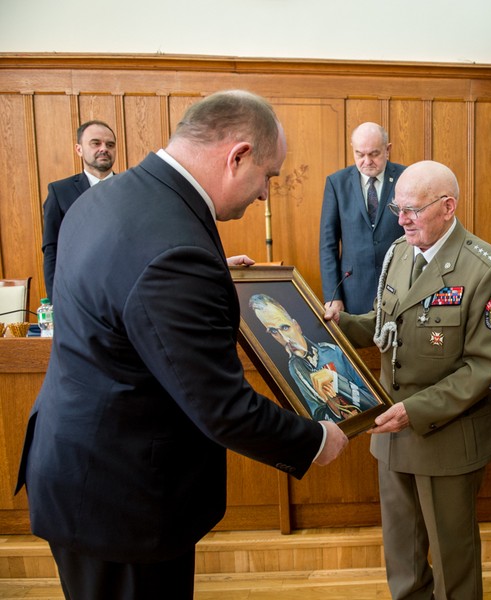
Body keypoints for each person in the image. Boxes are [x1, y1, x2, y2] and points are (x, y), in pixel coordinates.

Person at [17, 90, 348, 600]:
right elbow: (223, 409)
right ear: (236, 156)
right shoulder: (175, 253)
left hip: (83, 465)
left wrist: (211, 276)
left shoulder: (114, 195)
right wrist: (316, 440)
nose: (265, 194)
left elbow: (133, 292)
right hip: (122, 499)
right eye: (268, 176)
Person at [326, 160, 491, 599]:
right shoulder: (399, 253)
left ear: (448, 207)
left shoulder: (485, 268)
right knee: (402, 558)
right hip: (392, 435)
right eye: (398, 208)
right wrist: (339, 324)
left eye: (413, 209)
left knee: (453, 561)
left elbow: (481, 367)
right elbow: (385, 322)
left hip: (444, 436)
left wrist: (415, 411)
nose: (402, 219)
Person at [249, 293, 378, 421]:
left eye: (285, 327)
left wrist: (336, 381)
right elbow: (317, 414)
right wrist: (332, 405)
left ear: (296, 326)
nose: (285, 339)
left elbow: (374, 402)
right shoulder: (294, 367)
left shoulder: (333, 351)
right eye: (273, 331)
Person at [320, 122, 406, 314]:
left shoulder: (406, 178)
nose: (367, 161)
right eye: (360, 154)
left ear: (387, 150)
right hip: (353, 292)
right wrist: (333, 297)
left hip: (400, 289)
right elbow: (328, 245)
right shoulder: (336, 183)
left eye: (374, 154)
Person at [42, 120, 117, 301]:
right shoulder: (59, 191)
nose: (103, 148)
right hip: (78, 295)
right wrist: (55, 300)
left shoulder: (133, 188)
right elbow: (52, 249)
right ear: (79, 149)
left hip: (121, 292)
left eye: (110, 145)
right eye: (95, 143)